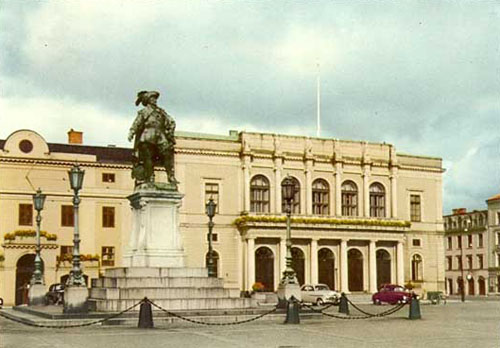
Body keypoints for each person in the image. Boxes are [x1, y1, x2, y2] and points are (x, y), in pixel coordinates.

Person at [128, 91, 177, 187]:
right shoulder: (144, 112)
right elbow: (137, 123)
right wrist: (132, 132)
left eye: (155, 98)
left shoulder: (161, 111)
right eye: (152, 98)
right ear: (147, 100)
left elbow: (171, 121)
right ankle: (150, 176)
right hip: (148, 135)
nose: (154, 100)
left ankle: (170, 176)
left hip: (160, 136)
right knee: (148, 157)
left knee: (167, 153)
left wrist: (170, 133)